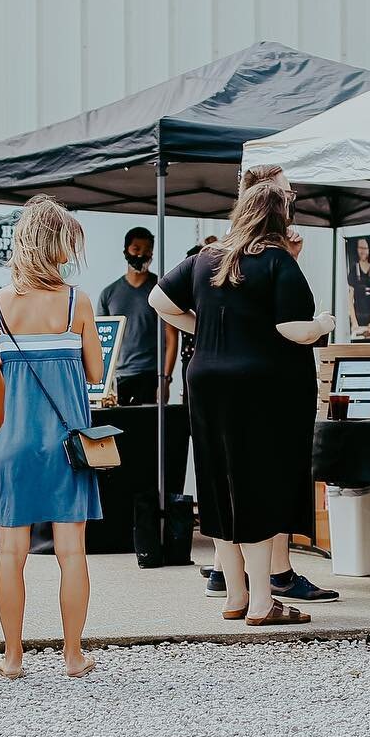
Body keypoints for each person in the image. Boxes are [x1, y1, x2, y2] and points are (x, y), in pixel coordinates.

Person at [152, 181, 332, 626]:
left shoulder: (206, 258)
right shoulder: (278, 262)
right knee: (255, 487)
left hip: (205, 382)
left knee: (217, 485)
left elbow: (158, 299)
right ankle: (262, 604)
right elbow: (293, 329)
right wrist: (322, 323)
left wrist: (204, 328)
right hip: (256, 388)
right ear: (279, 219)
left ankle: (235, 596)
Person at [0, 196, 103, 680]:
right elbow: (94, 371)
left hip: (10, 443)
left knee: (11, 554)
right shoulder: (77, 302)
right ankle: (73, 656)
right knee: (71, 553)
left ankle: (12, 657)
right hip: (67, 446)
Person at [98, 226, 176, 405]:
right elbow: (101, 341)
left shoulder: (161, 290)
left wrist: (165, 380)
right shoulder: (109, 294)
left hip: (151, 375)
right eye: (136, 249)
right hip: (118, 378)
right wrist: (103, 384)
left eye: (147, 250)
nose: (141, 255)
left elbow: (171, 337)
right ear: (126, 251)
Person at [346, 239, 370, 339]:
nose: (363, 251)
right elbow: (350, 299)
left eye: (365, 248)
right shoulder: (354, 269)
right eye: (361, 248)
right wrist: (354, 322)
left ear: (369, 250)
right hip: (358, 318)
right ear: (357, 249)